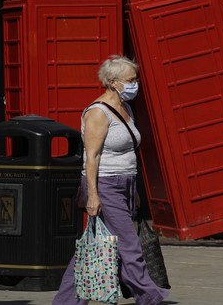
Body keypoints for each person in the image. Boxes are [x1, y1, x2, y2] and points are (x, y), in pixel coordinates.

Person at [53, 55, 169, 305]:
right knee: (130, 245)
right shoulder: (97, 113)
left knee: (96, 246)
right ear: (113, 82)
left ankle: (66, 302)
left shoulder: (125, 109)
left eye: (135, 78)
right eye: (130, 79)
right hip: (104, 184)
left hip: (125, 183)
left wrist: (134, 189)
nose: (135, 84)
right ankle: (150, 298)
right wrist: (93, 195)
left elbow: (129, 152)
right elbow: (91, 157)